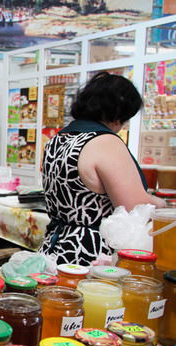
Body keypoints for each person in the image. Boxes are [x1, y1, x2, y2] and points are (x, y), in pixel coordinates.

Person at [39, 72, 166, 265]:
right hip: (92, 255)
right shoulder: (104, 142)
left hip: (56, 248)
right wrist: (160, 204)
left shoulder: (58, 140)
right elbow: (134, 207)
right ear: (117, 115)